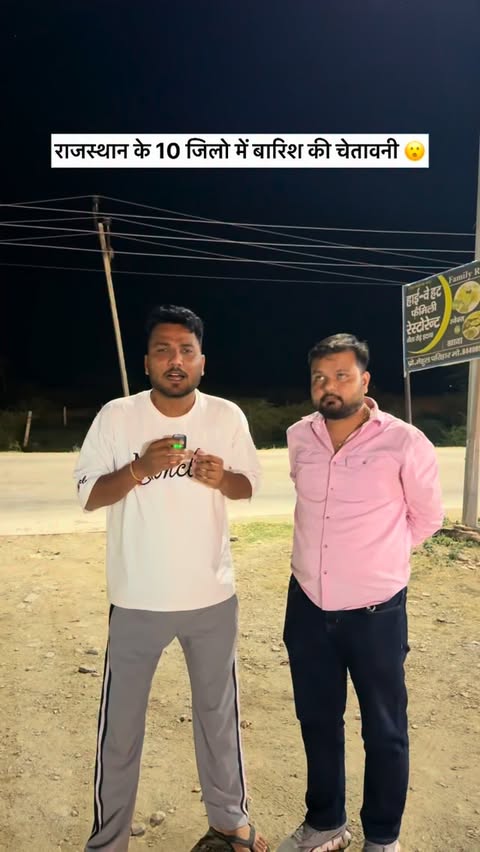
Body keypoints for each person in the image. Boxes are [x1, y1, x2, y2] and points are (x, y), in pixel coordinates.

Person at [74, 304, 269, 852]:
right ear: (146, 362)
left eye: (186, 350)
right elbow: (89, 494)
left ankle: (230, 823)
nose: (175, 360)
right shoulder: (117, 416)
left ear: (202, 361)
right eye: (163, 350)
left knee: (218, 718)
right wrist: (139, 468)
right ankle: (108, 841)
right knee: (120, 729)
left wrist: (222, 478)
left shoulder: (225, 416)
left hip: (211, 596)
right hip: (137, 598)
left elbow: (249, 485)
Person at [278, 334, 443, 852]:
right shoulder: (299, 436)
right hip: (308, 606)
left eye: (341, 376)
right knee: (316, 720)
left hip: (376, 612)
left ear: (364, 380)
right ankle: (326, 822)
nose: (329, 386)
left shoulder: (404, 442)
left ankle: (382, 838)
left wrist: (378, 558)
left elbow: (427, 517)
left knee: (384, 729)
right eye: (320, 378)